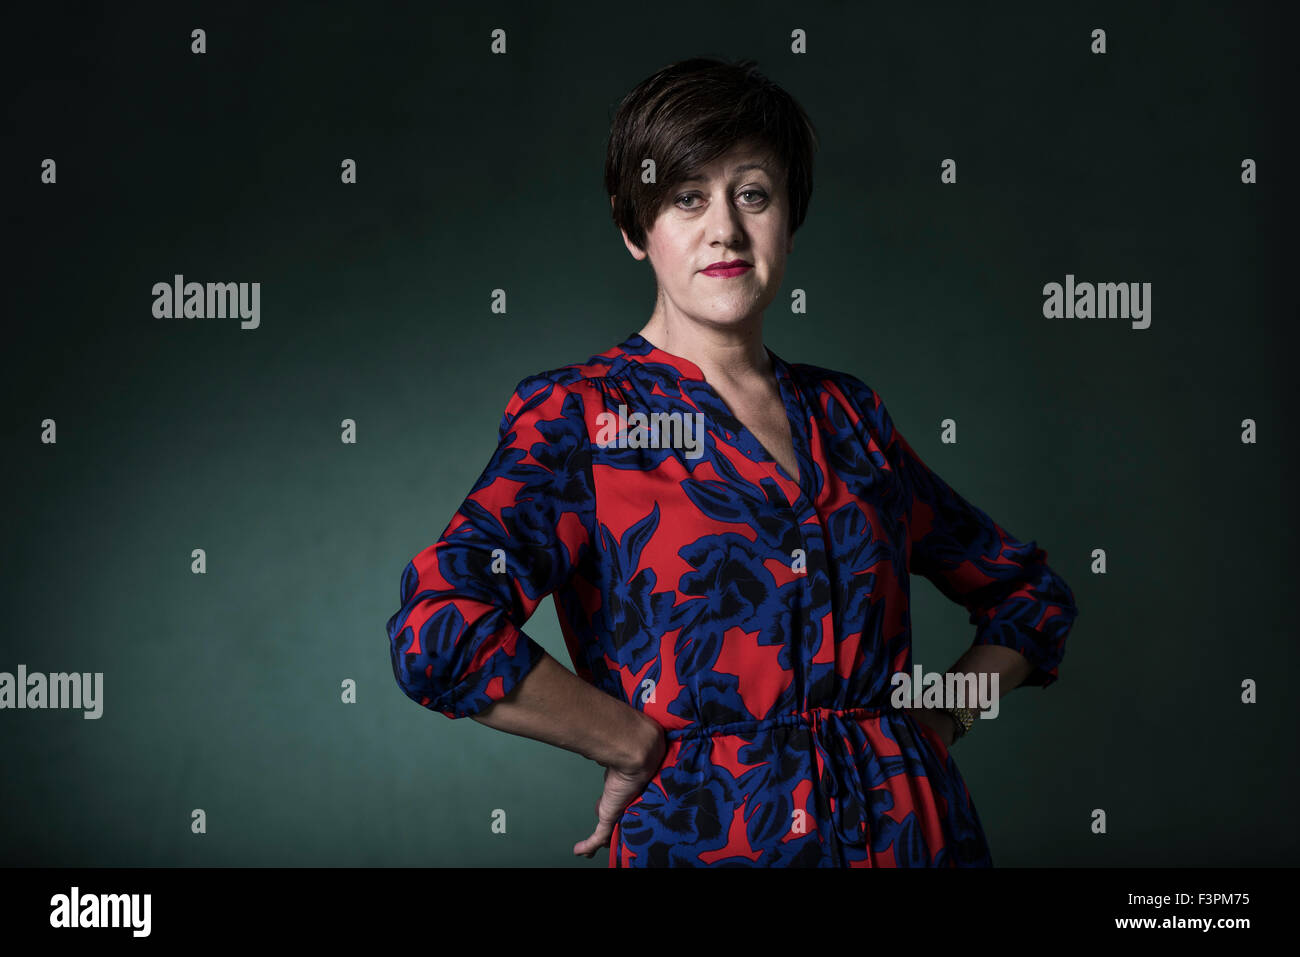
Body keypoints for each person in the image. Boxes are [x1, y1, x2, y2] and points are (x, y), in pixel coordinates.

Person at [386, 56, 1079, 867]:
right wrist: (626, 739)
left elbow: (1030, 595)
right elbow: (439, 628)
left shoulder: (848, 415)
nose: (725, 229)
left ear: (790, 217)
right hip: (708, 843)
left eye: (753, 194)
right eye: (687, 198)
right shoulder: (582, 418)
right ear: (633, 225)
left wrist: (932, 725)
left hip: (915, 843)